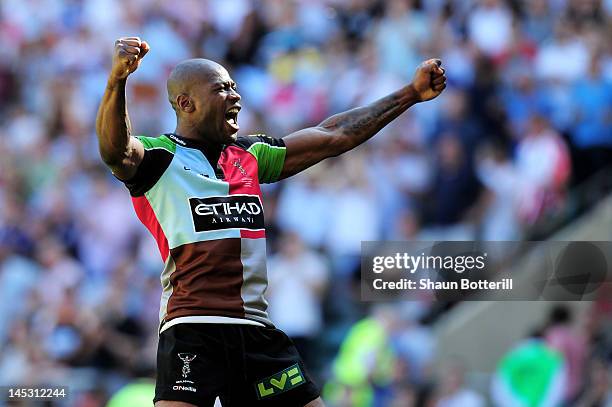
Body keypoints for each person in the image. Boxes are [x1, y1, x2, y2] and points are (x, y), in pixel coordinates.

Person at [95, 36, 446, 407]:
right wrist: (117, 81)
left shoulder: (250, 155)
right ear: (186, 103)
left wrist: (410, 93)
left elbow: (333, 135)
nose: (236, 96)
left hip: (256, 333)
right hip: (194, 329)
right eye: (221, 89)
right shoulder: (159, 158)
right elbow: (115, 150)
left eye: (234, 86)